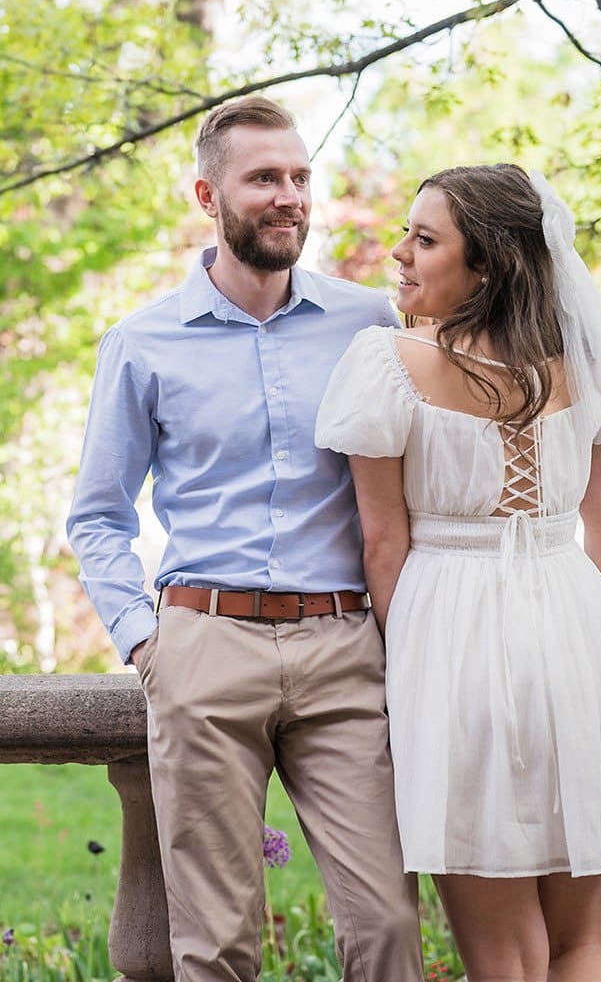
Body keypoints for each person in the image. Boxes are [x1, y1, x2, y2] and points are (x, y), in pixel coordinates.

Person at [66, 95, 423, 982]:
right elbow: (98, 514)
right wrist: (149, 643)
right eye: (264, 178)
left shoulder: (369, 323)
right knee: (216, 945)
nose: (289, 196)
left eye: (300, 177)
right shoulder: (142, 343)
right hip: (204, 646)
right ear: (207, 195)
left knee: (385, 925)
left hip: (345, 648)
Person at [315, 163, 601, 979]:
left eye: (424, 240)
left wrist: (401, 665)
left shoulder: (386, 365)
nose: (398, 255)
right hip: (579, 635)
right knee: (580, 946)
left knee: (505, 958)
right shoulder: (592, 363)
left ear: (485, 263)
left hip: (454, 645)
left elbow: (382, 544)